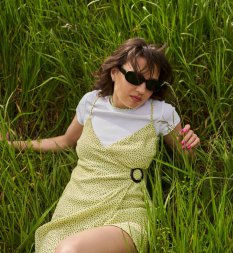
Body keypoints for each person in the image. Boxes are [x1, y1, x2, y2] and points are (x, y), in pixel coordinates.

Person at [3, 38, 200, 253]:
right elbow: (65, 141)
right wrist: (12, 144)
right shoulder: (91, 103)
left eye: (151, 84)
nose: (142, 90)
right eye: (135, 78)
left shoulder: (161, 113)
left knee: (69, 251)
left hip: (126, 211)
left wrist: (190, 147)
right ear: (115, 73)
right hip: (75, 206)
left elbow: (186, 161)